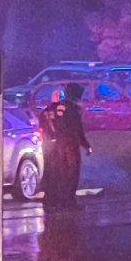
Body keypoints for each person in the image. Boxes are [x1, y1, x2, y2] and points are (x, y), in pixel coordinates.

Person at [38, 82, 92, 210]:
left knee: (53, 172)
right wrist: (86, 145)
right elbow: (77, 129)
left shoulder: (48, 110)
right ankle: (68, 201)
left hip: (50, 147)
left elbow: (42, 126)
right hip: (69, 146)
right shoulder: (73, 110)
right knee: (71, 174)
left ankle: (51, 200)